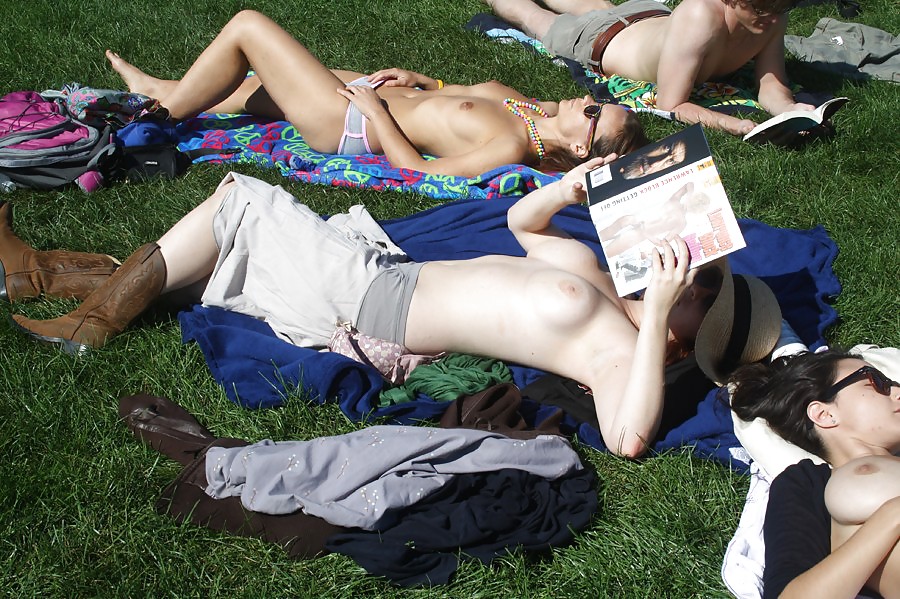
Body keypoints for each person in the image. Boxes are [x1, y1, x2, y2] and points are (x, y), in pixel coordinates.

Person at [2, 155, 782, 458]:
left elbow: (630, 436)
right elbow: (520, 225)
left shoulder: (616, 352)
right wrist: (570, 186)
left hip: (374, 303)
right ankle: (52, 277)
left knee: (240, 201)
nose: (688, 280)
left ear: (687, 344)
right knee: (214, 258)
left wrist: (656, 332)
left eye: (700, 296)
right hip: (383, 272)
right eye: (704, 276)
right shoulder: (604, 283)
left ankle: (92, 322)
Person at [104, 10, 648, 178]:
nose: (589, 101)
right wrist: (425, 82)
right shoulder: (531, 111)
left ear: (583, 147)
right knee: (258, 85)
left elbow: (420, 170)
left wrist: (374, 113)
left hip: (352, 122)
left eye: (597, 113)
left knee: (249, 28)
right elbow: (464, 93)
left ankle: (150, 120)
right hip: (368, 97)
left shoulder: (511, 147)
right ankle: (162, 89)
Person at [482, 0, 817, 137]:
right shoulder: (702, 17)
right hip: (601, 39)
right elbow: (671, 104)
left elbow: (770, 80)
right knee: (532, 16)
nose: (772, 18)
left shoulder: (771, 11)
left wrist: (788, 109)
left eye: (781, 7)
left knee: (595, 5)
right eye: (761, 8)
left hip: (649, 15)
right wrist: (738, 125)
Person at [730, 350, 900, 598]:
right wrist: (891, 516)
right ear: (824, 414)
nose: (896, 391)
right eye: (877, 382)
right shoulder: (807, 482)